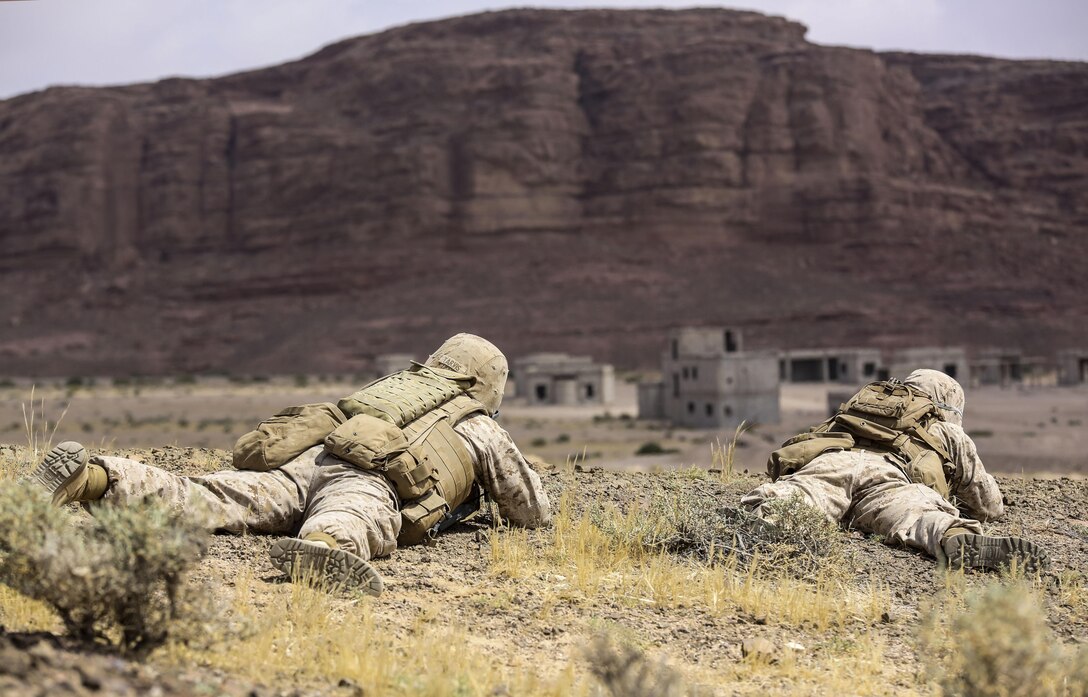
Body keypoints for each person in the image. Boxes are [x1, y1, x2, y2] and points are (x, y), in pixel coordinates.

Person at [31, 333, 552, 595]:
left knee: (214, 496)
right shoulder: (480, 426)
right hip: (368, 475)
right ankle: (321, 551)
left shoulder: (390, 389)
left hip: (306, 459)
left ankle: (96, 477)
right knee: (352, 512)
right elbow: (529, 511)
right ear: (489, 386)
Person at [741, 369, 1047, 572]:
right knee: (916, 514)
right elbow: (988, 504)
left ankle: (764, 516)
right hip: (890, 477)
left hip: (832, 461)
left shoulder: (855, 411)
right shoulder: (946, 430)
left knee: (796, 498)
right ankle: (953, 535)